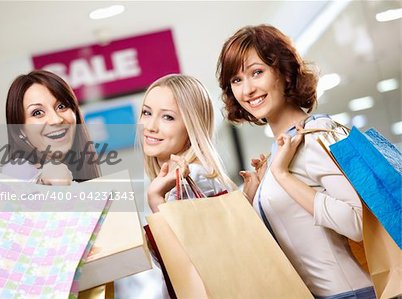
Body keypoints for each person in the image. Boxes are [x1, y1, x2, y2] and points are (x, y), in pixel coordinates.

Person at [217, 25, 375, 298]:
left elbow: (358, 222)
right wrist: (253, 194)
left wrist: (283, 177)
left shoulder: (316, 136)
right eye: (236, 80)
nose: (248, 89)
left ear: (284, 72)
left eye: (257, 72)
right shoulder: (277, 152)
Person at [138, 74, 236, 213]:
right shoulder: (184, 177)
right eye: (147, 113)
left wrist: (155, 199)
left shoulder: (191, 178)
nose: (150, 127)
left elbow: (180, 235)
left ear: (192, 127)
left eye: (168, 117)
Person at [3, 70, 101, 184]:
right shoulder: (17, 170)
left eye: (62, 106)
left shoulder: (79, 168)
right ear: (20, 130)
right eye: (37, 113)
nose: (56, 119)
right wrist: (40, 181)